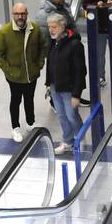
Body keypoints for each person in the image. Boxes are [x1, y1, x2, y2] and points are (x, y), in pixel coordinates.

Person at [0, 2, 45, 142]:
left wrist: (39, 64)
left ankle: (30, 123)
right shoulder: (5, 32)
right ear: (13, 14)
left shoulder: (35, 29)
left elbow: (42, 48)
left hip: (31, 75)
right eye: (17, 14)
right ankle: (15, 127)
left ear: (27, 14)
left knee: (29, 99)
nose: (20, 16)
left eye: (23, 13)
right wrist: (8, 70)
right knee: (15, 101)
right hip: (14, 77)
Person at [43, 14, 85, 154]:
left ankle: (80, 139)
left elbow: (80, 71)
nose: (51, 30)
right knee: (61, 115)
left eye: (54, 27)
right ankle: (68, 142)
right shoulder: (53, 42)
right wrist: (48, 83)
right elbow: (50, 63)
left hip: (69, 89)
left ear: (62, 26)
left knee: (72, 115)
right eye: (49, 27)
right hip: (55, 86)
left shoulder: (75, 44)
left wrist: (76, 94)